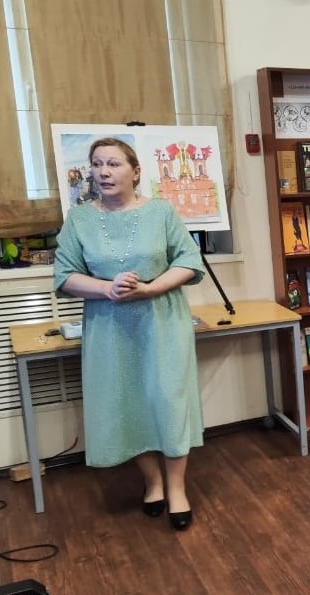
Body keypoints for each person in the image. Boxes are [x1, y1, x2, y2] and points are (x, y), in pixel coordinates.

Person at [52, 137, 206, 531]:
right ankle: (153, 482)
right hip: (110, 328)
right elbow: (65, 276)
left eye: (114, 164)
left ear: (135, 172)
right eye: (97, 164)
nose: (103, 172)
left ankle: (177, 489)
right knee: (128, 403)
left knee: (168, 401)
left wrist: (151, 289)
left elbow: (189, 261)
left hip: (162, 322)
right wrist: (107, 288)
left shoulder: (161, 211)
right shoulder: (79, 219)